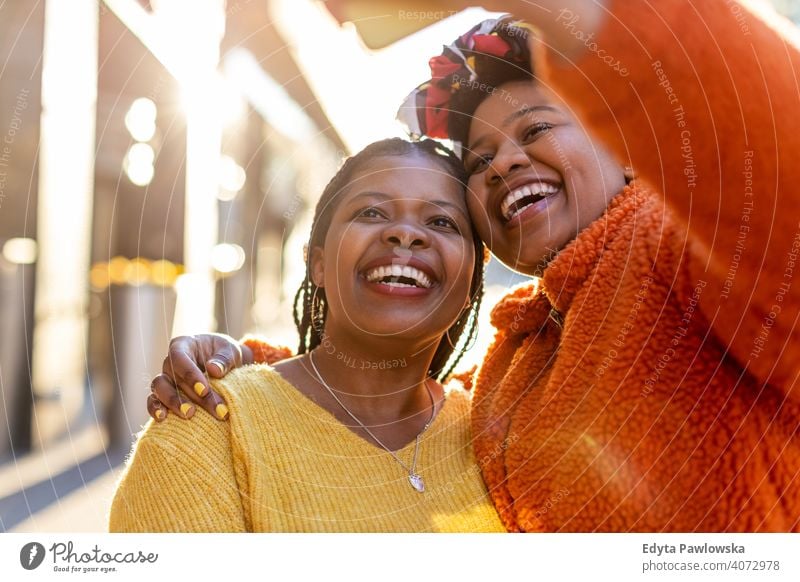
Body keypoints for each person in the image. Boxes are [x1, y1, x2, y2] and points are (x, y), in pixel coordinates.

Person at [148, 0, 800, 531]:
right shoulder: (518, 353)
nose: (505, 163)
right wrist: (260, 370)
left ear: (625, 141)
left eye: (537, 131)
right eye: (479, 163)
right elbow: (432, 418)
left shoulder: (683, 253)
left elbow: (771, 169)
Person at [109, 138, 505, 532]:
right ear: (318, 263)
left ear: (472, 280)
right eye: (371, 212)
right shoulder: (207, 424)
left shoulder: (501, 435)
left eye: (441, 222)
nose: (405, 233)